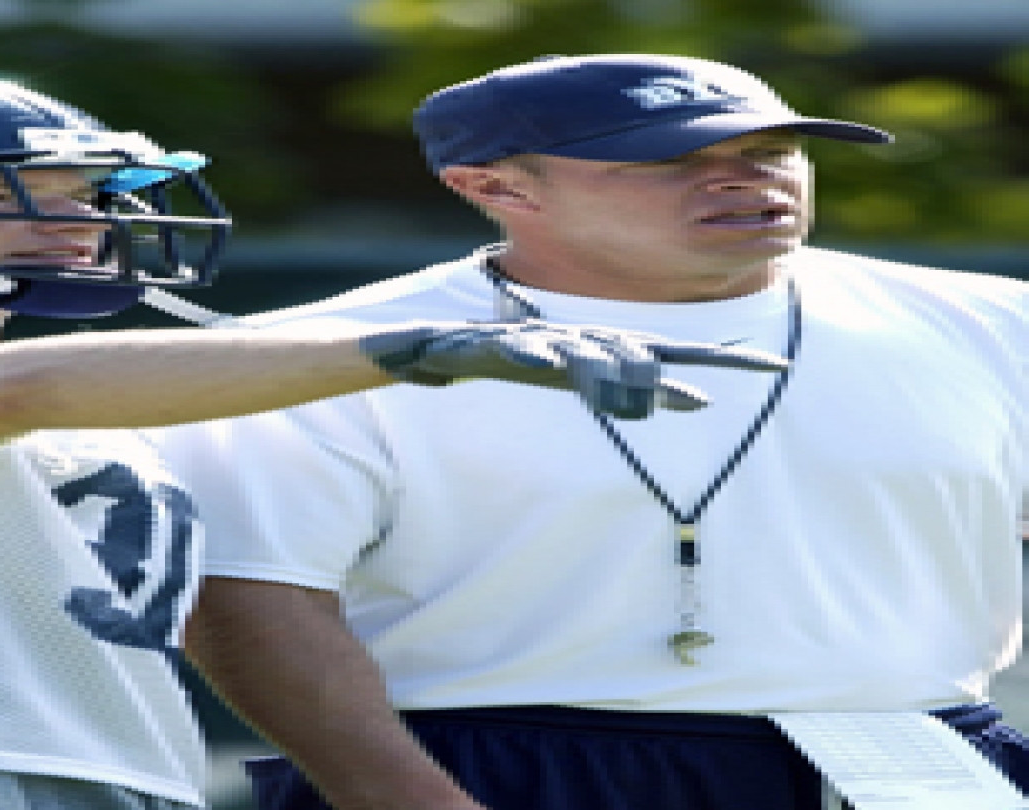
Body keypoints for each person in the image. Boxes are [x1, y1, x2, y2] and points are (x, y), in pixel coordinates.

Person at [0, 68, 789, 810]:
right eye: (20, 189)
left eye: (85, 192)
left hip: (105, 775)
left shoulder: (75, 389)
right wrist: (405, 348)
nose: (83, 220)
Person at [153, 53, 1029, 810]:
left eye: (770, 150)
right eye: (669, 159)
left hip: (923, 760)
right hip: (498, 763)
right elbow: (250, 600)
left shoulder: (995, 324)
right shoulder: (309, 355)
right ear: (493, 186)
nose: (742, 177)